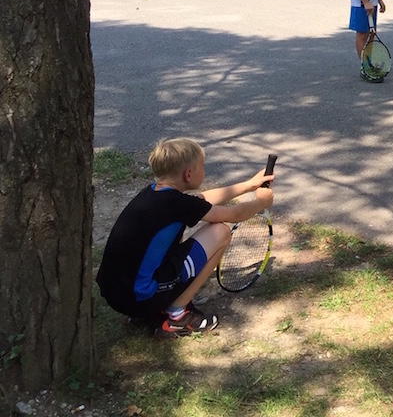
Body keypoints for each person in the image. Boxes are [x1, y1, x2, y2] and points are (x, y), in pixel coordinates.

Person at [96, 138, 274, 338]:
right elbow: (234, 215)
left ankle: (152, 307)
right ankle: (177, 316)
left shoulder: (153, 194)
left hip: (116, 295)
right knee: (221, 232)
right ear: (188, 174)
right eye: (202, 166)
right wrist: (261, 203)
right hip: (141, 299)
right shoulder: (178, 204)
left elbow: (202, 200)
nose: (204, 170)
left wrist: (249, 185)